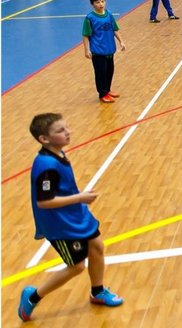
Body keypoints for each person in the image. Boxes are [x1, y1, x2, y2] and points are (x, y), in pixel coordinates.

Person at [18, 113, 124, 321]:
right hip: (60, 224)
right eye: (60, 130)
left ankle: (97, 292)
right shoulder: (46, 166)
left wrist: (78, 200)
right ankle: (33, 297)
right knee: (76, 266)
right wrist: (80, 198)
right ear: (44, 139)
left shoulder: (58, 152)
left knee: (97, 247)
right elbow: (44, 202)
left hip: (75, 213)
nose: (68, 132)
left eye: (66, 128)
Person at [82, 0, 125, 103]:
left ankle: (107, 90)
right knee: (101, 73)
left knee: (109, 71)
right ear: (92, 4)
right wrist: (86, 50)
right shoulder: (90, 18)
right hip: (98, 51)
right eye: (97, 2)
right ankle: (102, 94)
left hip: (109, 50)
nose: (101, 4)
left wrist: (121, 41)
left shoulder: (109, 14)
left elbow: (114, 29)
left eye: (102, 1)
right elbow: (86, 35)